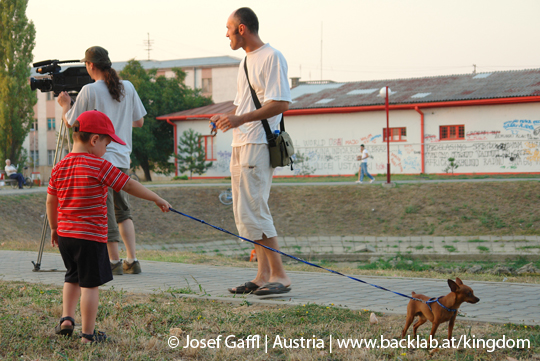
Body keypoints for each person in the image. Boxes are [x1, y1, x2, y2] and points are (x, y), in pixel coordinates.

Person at [47, 110, 170, 343]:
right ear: (94, 140)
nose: (107, 149)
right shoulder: (99, 165)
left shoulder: (59, 167)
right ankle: (88, 335)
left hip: (65, 235)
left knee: (71, 277)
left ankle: (66, 319)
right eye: (107, 143)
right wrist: (156, 198)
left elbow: (51, 200)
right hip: (90, 237)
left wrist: (54, 227)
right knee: (90, 285)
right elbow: (129, 185)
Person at [211, 7, 291, 296]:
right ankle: (262, 274)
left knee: (257, 209)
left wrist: (240, 119)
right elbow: (243, 105)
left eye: (229, 28)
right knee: (246, 212)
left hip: (258, 142)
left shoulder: (272, 57)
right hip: (241, 142)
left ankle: (280, 275)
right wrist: (228, 118)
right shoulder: (246, 61)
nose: (227, 34)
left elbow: (281, 103)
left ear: (242, 28)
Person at [58, 46, 146, 275]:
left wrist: (65, 105)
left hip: (100, 159)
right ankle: (132, 259)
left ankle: (114, 261)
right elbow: (139, 122)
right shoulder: (128, 87)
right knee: (123, 211)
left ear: (90, 66)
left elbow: (71, 122)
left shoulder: (89, 90)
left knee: (104, 211)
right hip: (123, 158)